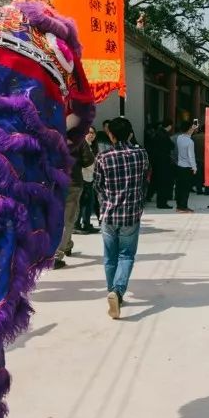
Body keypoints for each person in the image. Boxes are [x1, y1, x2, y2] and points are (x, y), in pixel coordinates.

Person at [94, 117, 149, 319]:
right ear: (130, 134)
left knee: (110, 257)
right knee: (126, 255)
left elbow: (97, 185)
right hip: (132, 214)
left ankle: (112, 291)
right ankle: (117, 291)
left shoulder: (103, 157)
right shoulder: (141, 154)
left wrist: (105, 201)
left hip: (109, 213)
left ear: (111, 134)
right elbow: (145, 181)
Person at [52, 126, 96, 268]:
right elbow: (88, 160)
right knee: (68, 218)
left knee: (55, 217)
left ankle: (67, 244)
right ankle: (57, 254)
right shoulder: (78, 140)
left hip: (52, 183)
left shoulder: (49, 136)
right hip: (72, 182)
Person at [147, 119, 175, 208]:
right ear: (170, 126)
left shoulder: (156, 133)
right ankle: (162, 202)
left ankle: (148, 196)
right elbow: (171, 146)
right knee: (163, 182)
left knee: (154, 180)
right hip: (163, 161)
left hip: (156, 161)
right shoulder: (164, 134)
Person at [77, 126, 99, 233]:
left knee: (89, 202)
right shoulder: (82, 145)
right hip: (83, 177)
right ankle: (77, 225)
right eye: (89, 132)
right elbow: (85, 161)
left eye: (93, 133)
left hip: (90, 178)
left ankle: (86, 223)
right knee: (83, 203)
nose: (91, 135)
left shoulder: (91, 146)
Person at [173, 120, 197, 213]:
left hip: (179, 165)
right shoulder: (190, 142)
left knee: (179, 187)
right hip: (187, 167)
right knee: (185, 188)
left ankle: (179, 206)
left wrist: (192, 128)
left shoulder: (179, 138)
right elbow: (191, 156)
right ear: (189, 129)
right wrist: (194, 167)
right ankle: (183, 206)